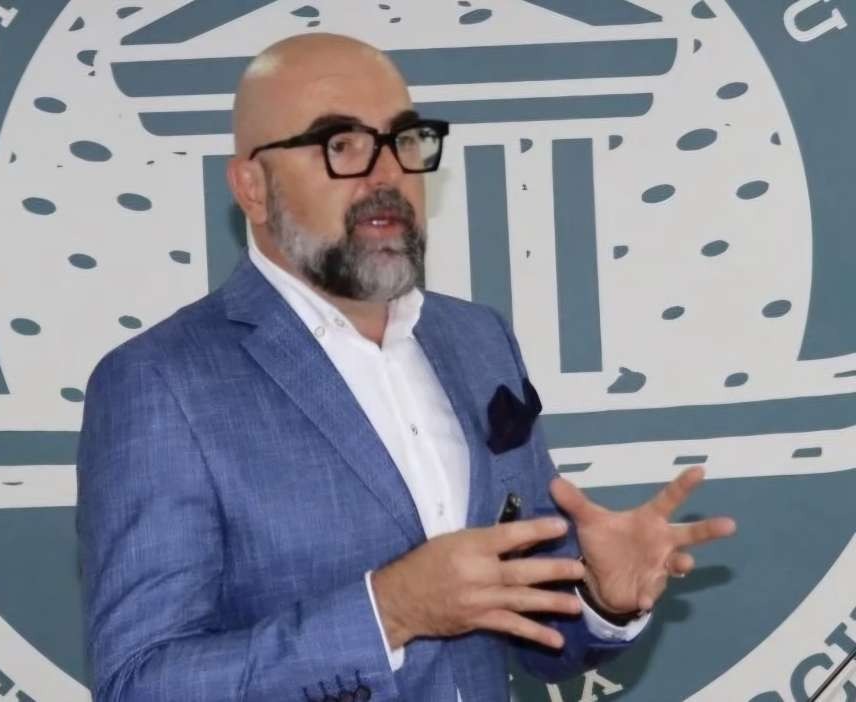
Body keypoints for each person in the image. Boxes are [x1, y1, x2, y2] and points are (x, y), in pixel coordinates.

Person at [76, 33, 736, 701]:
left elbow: (529, 616)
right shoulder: (158, 383)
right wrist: (388, 613)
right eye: (341, 145)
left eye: (404, 140)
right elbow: (141, 684)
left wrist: (599, 596)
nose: (387, 174)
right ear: (252, 186)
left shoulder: (478, 339)